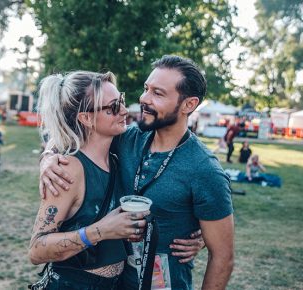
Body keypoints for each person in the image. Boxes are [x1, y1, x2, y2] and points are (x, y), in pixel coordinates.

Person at [40, 55, 234, 290]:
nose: (144, 99)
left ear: (188, 105)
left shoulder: (205, 170)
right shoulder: (126, 139)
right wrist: (48, 158)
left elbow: (223, 258)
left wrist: (204, 236)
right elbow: (75, 135)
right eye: (146, 89)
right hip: (114, 283)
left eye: (158, 93)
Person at [29, 71, 150, 290]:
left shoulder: (116, 159)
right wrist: (101, 230)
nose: (124, 110)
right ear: (85, 118)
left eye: (121, 100)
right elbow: (37, 250)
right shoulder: (68, 169)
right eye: (112, 107)